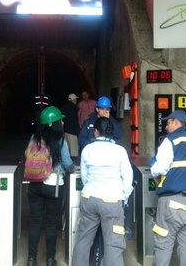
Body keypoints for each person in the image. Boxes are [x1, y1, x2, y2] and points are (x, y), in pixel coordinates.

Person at [72, 116, 133, 266]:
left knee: (84, 240)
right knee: (113, 243)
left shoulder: (87, 149)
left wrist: (91, 188)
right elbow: (127, 177)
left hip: (89, 198)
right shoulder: (120, 151)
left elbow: (85, 176)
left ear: (96, 131)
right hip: (112, 201)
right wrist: (124, 196)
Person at [149, 110, 186, 266]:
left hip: (172, 202)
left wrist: (153, 166)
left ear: (176, 122)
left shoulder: (171, 140)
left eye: (168, 123)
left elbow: (161, 168)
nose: (166, 127)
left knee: (163, 243)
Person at [26, 106, 75, 266]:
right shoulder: (60, 140)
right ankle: (49, 259)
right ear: (55, 123)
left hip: (34, 185)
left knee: (35, 222)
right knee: (51, 223)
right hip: (53, 186)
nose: (62, 121)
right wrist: (73, 169)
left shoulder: (35, 137)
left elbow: (26, 155)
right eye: (60, 119)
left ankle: (31, 259)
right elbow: (68, 163)